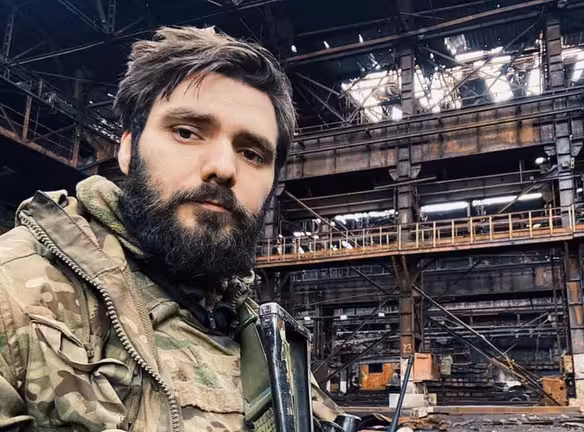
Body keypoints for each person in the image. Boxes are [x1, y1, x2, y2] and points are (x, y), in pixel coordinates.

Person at [0, 26, 341, 431]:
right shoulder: (16, 295)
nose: (223, 168)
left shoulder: (268, 342)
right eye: (187, 132)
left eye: (251, 153)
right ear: (128, 148)